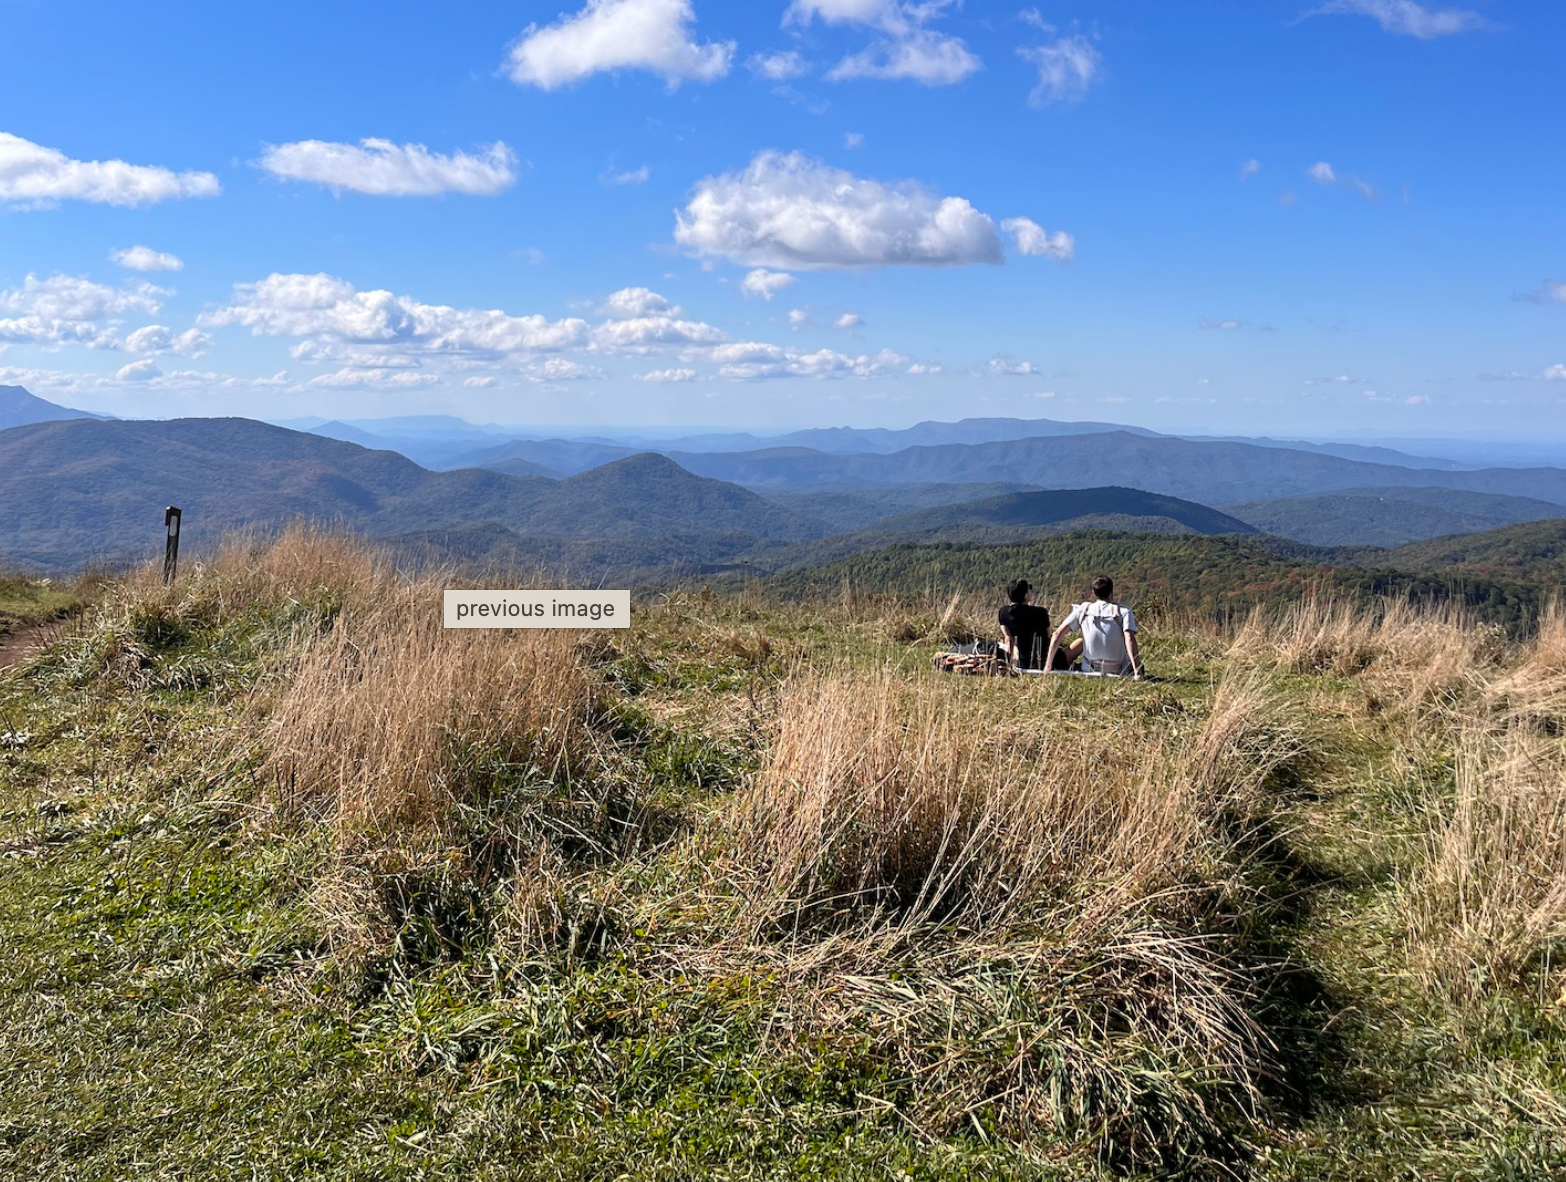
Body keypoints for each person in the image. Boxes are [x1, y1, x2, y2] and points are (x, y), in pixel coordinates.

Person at [1045, 576, 1146, 679]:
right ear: (1111, 592)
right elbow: (1130, 639)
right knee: (1141, 667)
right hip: (1119, 670)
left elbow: (1058, 634)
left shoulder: (1083, 610)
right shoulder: (1123, 611)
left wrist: (1047, 667)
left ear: (1094, 593)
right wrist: (1137, 671)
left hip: (1089, 670)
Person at [998, 578, 1058, 670]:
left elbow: (1008, 636)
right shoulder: (1041, 613)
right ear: (1026, 595)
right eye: (1029, 589)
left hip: (1020, 660)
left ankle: (1009, 662)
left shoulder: (1003, 612)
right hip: (1043, 658)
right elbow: (1048, 635)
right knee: (1079, 643)